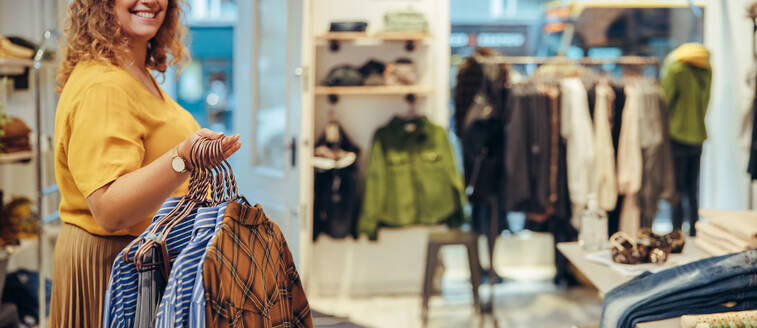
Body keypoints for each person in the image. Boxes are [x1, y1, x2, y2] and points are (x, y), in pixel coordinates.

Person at [50, 0, 241, 326]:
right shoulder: (104, 85)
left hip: (143, 262)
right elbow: (111, 210)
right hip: (114, 266)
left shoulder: (136, 74)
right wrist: (183, 157)